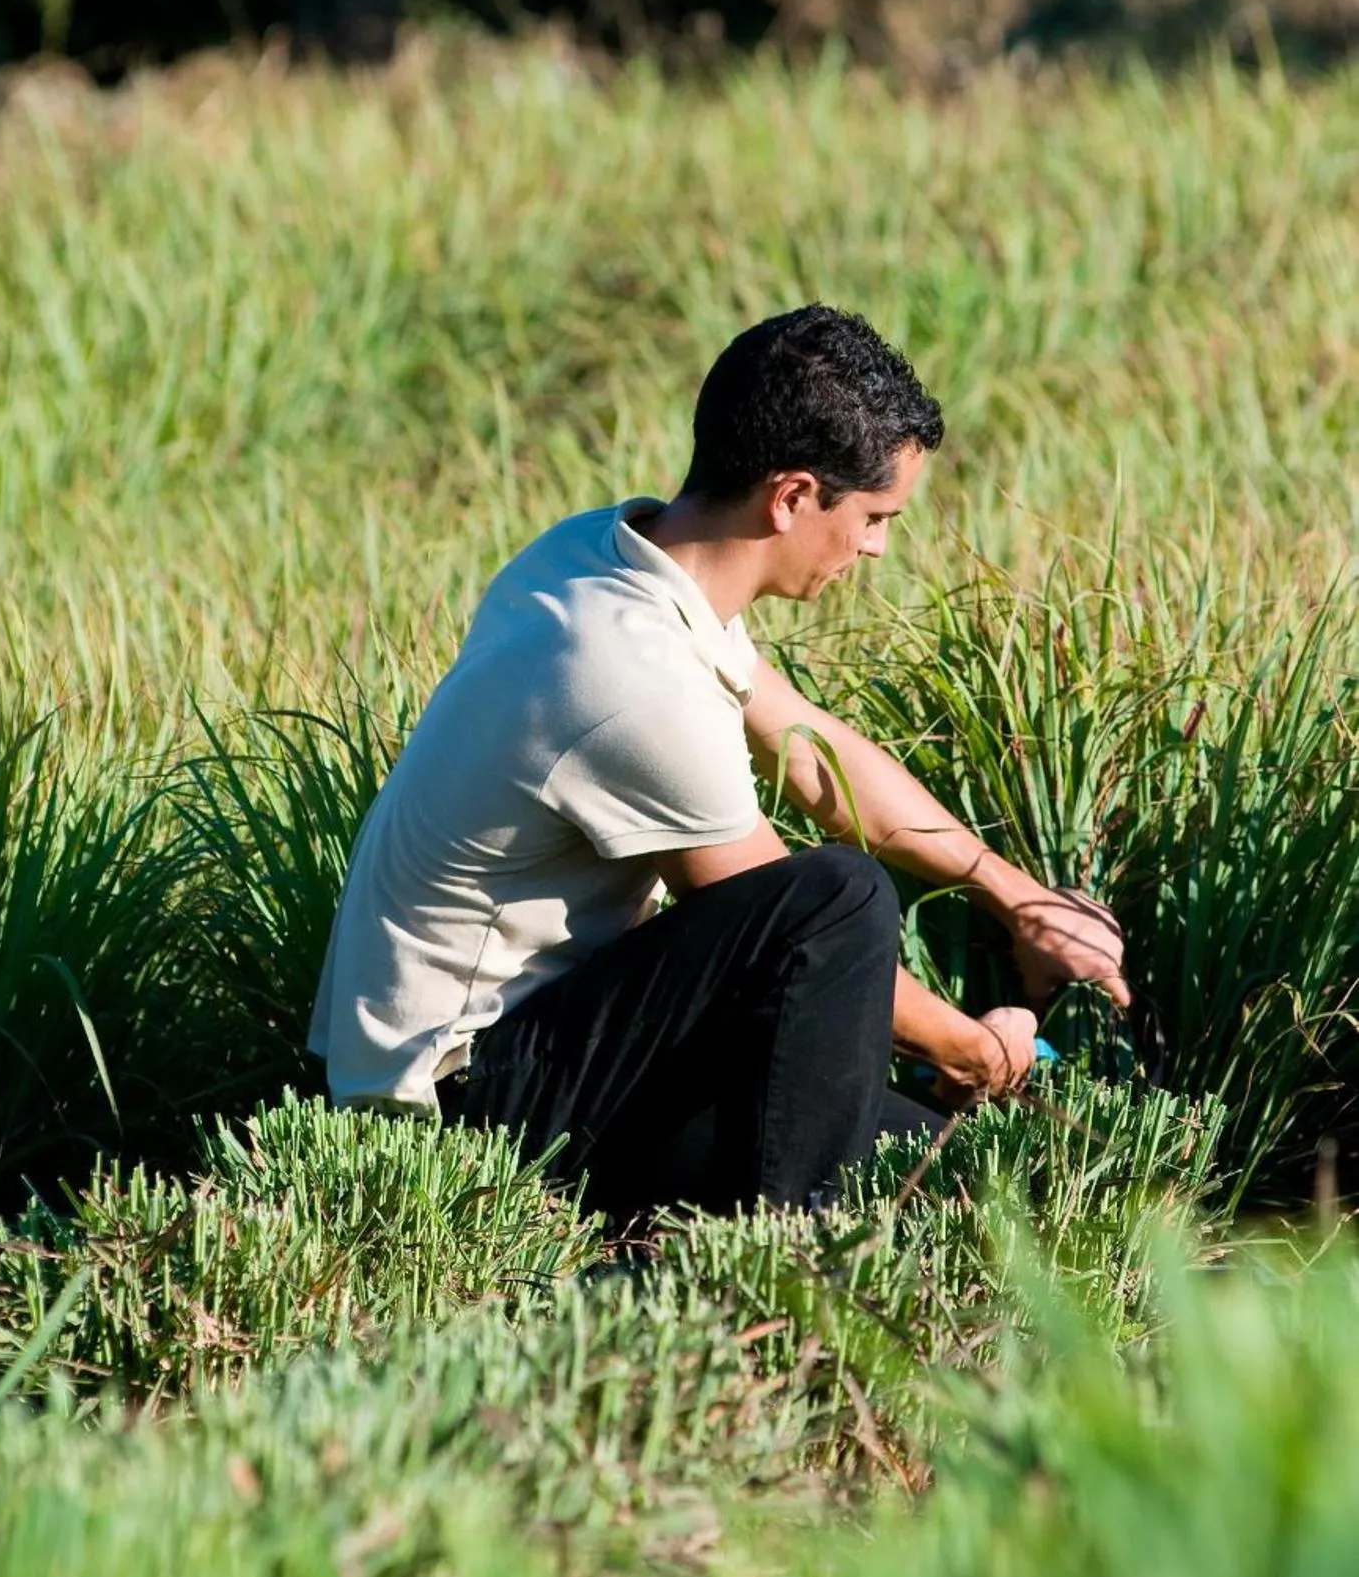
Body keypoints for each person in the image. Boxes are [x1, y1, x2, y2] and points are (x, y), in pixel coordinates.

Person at [308, 305, 1130, 1219]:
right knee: (841, 904)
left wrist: (1021, 898)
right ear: (790, 496)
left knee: (949, 1172)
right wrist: (981, 1055)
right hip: (465, 1105)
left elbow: (816, 758)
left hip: (553, 1038)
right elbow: (798, 929)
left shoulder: (611, 556)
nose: (877, 546)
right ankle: (787, 1256)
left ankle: (793, 1210)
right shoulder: (627, 677)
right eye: (872, 516)